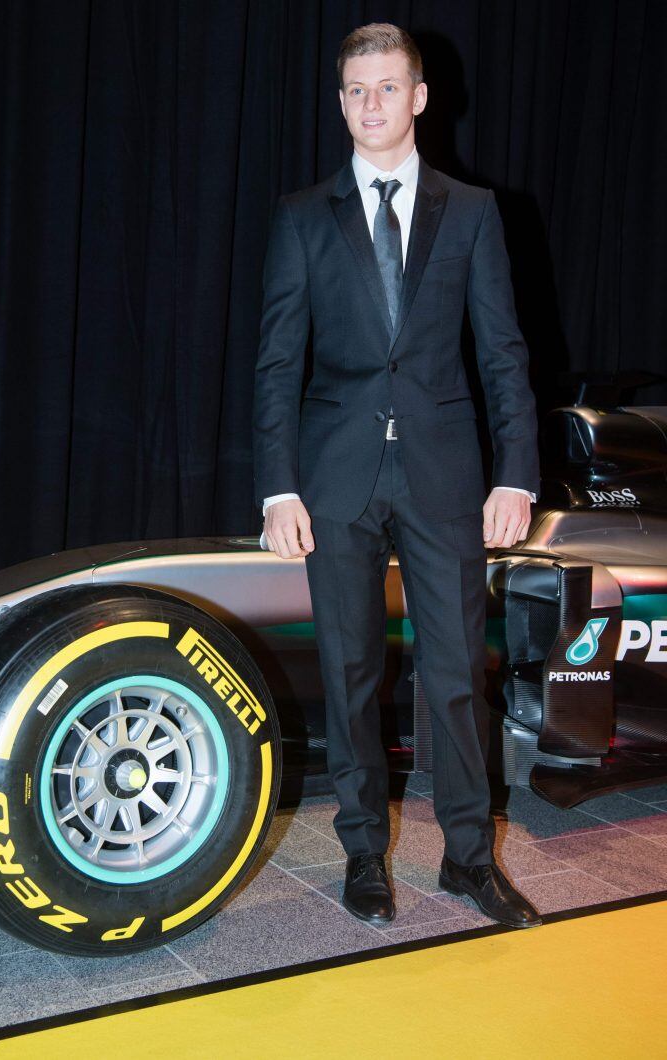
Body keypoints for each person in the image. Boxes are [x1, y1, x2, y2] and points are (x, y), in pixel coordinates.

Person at [252, 23, 541, 929]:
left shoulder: (474, 211)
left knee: (456, 678)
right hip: (334, 482)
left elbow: (502, 355)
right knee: (347, 676)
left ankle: (466, 860)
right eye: (354, 90)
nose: (370, 105)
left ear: (420, 98)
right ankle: (365, 854)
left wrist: (517, 475)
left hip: (445, 478)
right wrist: (277, 487)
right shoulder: (303, 217)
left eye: (386, 88)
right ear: (340, 102)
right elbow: (275, 364)